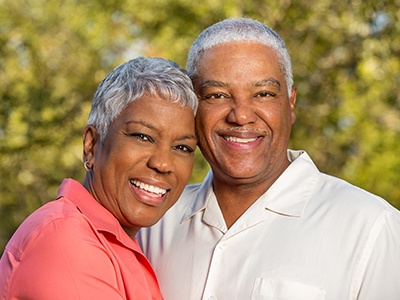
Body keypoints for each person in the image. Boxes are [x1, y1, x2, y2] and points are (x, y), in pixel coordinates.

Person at [138, 18, 400, 300]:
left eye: (263, 93)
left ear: (290, 103)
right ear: (192, 107)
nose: (241, 115)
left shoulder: (371, 227)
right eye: (217, 95)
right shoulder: (154, 223)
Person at [0, 57, 198, 299]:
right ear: (92, 144)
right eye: (143, 137)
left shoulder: (126, 245)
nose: (163, 163)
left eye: (182, 148)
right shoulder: (65, 238)